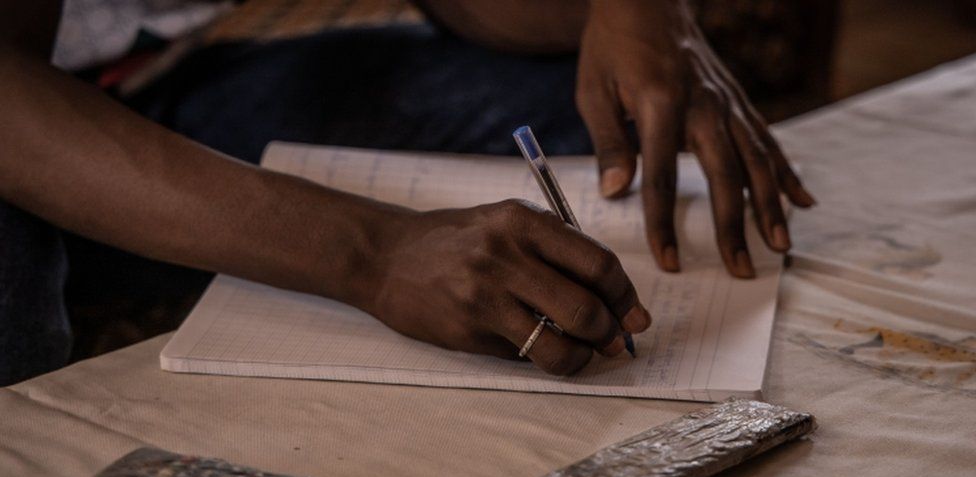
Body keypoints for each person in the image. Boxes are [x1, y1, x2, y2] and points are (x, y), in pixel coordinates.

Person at [0, 0, 816, 385]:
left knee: (611, 114)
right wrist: (373, 252)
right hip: (25, 107)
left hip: (164, 81)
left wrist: (633, 13)